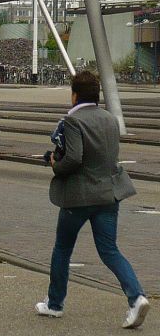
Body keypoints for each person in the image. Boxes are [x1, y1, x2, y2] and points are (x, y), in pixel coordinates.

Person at [35, 71, 149, 329]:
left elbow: (74, 158)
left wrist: (55, 163)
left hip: (79, 197)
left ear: (74, 95)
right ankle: (137, 297)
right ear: (96, 94)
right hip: (109, 195)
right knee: (109, 250)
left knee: (62, 249)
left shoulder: (73, 121)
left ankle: (55, 305)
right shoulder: (110, 119)